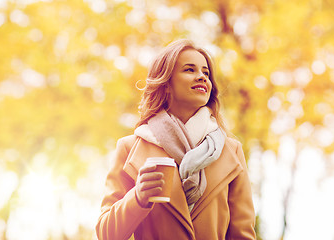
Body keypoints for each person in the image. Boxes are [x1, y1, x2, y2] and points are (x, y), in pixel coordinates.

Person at [96, 39, 256, 240]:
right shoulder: (130, 148)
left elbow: (243, 235)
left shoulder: (230, 151)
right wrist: (138, 197)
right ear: (166, 84)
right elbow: (106, 234)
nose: (202, 77)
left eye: (206, 73)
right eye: (189, 70)